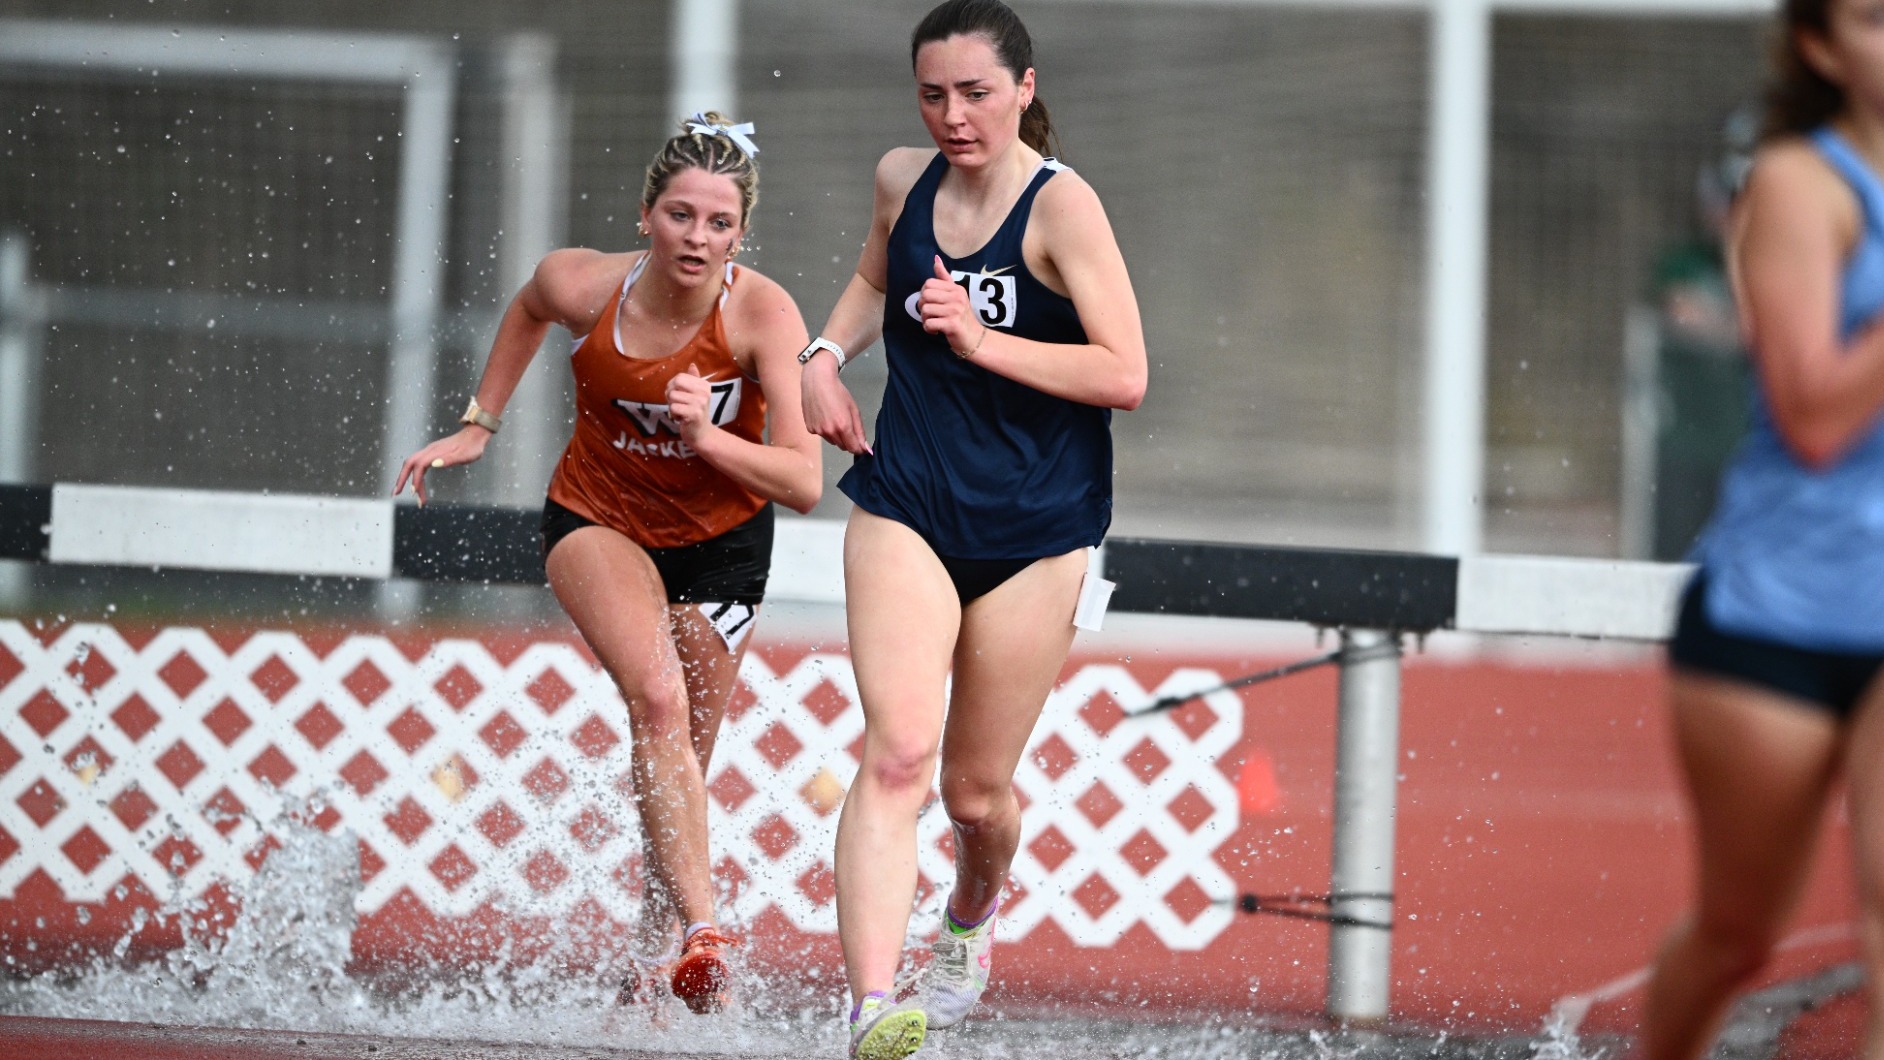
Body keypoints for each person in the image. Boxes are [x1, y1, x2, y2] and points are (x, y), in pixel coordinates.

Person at [393, 112, 821, 1016]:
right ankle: (706, 932)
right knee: (658, 700)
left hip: (725, 545)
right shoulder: (585, 284)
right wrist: (480, 423)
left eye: (717, 223)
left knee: (681, 760)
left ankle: (649, 957)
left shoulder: (763, 315)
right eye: (679, 215)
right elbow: (529, 306)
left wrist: (706, 436)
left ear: (741, 234)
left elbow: (803, 481)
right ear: (644, 216)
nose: (696, 238)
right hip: (600, 519)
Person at [797, 2, 1147, 1056]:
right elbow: (874, 277)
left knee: (974, 792)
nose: (954, 115)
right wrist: (823, 354)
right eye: (934, 94)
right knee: (898, 753)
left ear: (1025, 91)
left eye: (977, 93)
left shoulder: (1062, 207)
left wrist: (986, 342)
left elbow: (1124, 373)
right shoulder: (903, 178)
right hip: (908, 498)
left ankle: (965, 924)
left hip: (1039, 529)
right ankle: (870, 1011)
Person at [1641, 2, 1884, 1057]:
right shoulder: (1800, 184)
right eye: (1877, 19)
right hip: (1777, 609)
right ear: (1821, 48)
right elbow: (1816, 416)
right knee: (1739, 935)